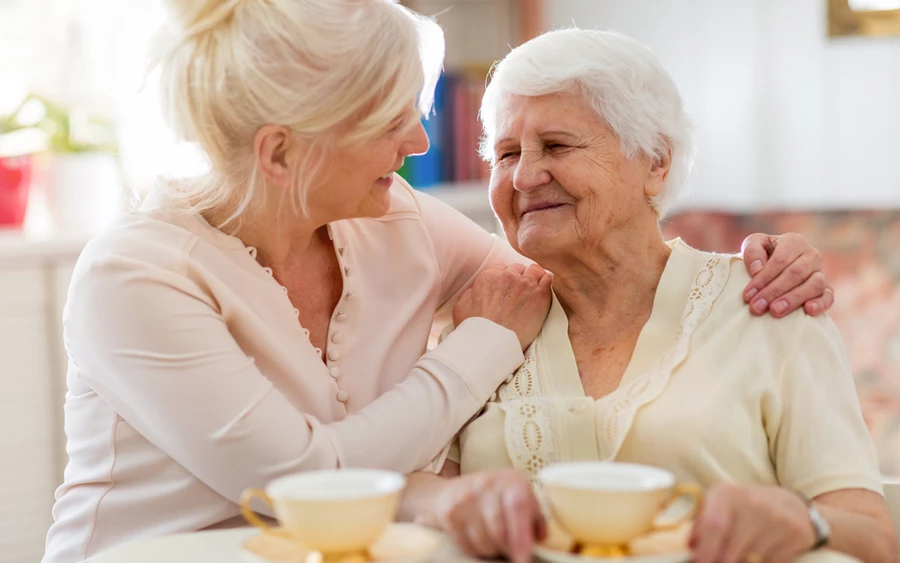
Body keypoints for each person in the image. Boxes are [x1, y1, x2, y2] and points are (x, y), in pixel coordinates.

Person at [44, 2, 835, 561]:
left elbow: (565, 273)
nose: (420, 140)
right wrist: (478, 349)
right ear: (282, 154)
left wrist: (753, 265)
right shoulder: (135, 278)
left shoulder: (391, 219)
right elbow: (307, 483)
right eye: (390, 121)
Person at [400, 28, 896, 563]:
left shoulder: (768, 305)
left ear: (655, 163)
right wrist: (453, 499)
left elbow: (875, 539)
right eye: (506, 153)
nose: (524, 175)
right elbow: (407, 489)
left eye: (557, 145)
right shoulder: (488, 322)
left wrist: (804, 521)